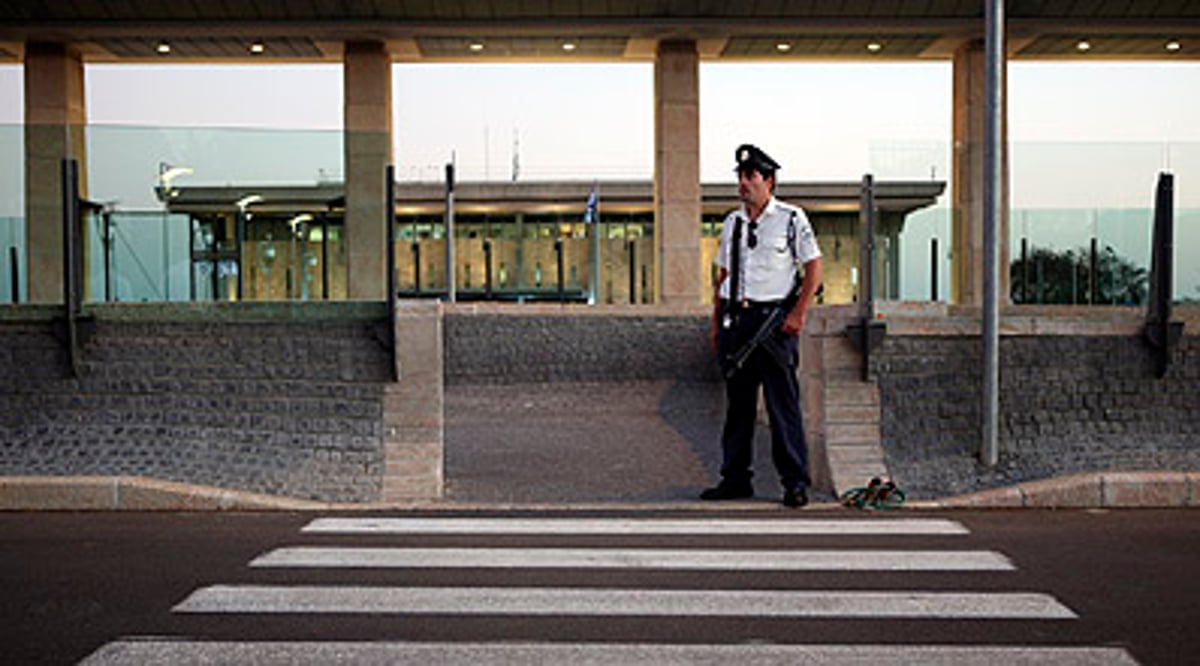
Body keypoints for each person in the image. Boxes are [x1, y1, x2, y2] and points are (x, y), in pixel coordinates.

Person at [701, 143, 824, 508]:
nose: (743, 183)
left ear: (769, 181)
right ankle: (735, 479)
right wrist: (716, 326)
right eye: (740, 176)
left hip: (774, 324)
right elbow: (723, 276)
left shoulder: (791, 219)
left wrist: (798, 314)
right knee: (738, 408)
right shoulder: (732, 222)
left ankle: (794, 483)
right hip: (737, 322)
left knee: (781, 406)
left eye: (751, 176)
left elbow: (813, 268)